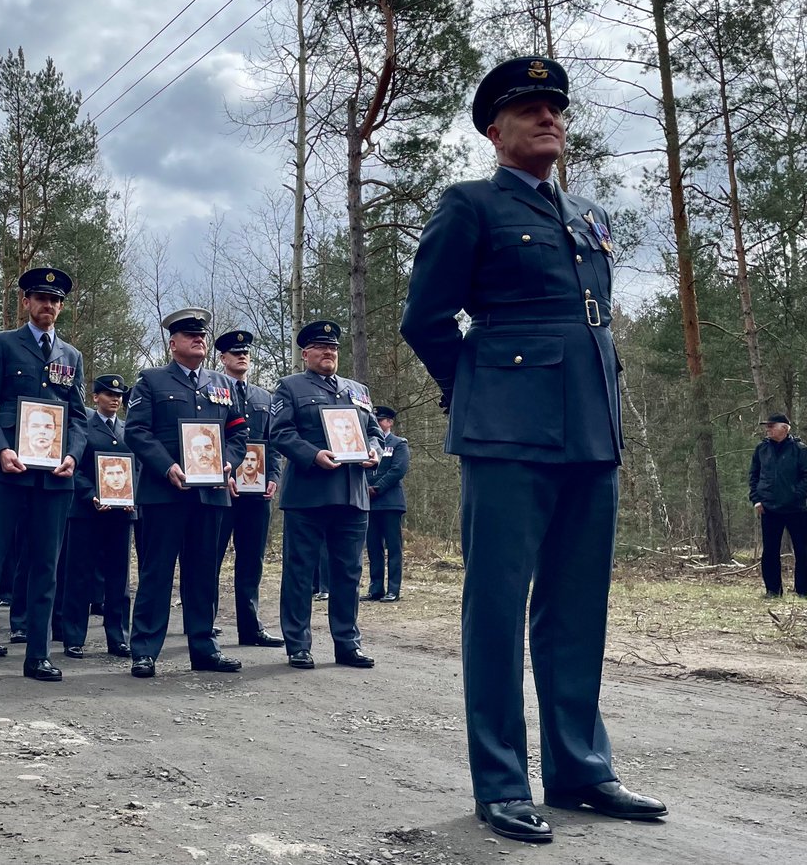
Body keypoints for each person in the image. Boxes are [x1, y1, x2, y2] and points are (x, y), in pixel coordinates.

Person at [400, 56, 667, 842]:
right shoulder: (470, 205)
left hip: (591, 426)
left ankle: (581, 770)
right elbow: (427, 318)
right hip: (508, 432)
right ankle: (501, 780)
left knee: (577, 605)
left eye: (556, 107)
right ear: (495, 130)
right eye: (531, 108)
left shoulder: (585, 213)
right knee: (497, 606)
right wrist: (479, 393)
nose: (551, 117)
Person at [0, 267, 88, 682]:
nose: (47, 305)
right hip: (6, 472)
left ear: (61, 307)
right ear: (26, 302)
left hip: (54, 477)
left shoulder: (71, 356)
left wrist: (72, 455)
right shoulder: (2, 344)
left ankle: (37, 654)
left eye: (54, 301)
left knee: (45, 566)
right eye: (40, 298)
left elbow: (78, 417)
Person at [126, 308, 249, 678]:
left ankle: (204, 647)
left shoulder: (222, 385)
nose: (199, 338)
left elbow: (239, 432)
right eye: (189, 334)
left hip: (210, 495)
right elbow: (137, 432)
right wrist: (167, 467)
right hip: (165, 494)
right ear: (172, 342)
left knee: (203, 573)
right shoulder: (150, 380)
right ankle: (145, 650)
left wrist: (227, 462)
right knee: (156, 572)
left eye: (202, 334)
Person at [270, 320, 381, 672]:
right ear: (306, 354)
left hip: (353, 494)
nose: (328, 352)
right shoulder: (290, 387)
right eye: (320, 347)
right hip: (309, 493)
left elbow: (375, 432)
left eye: (332, 347)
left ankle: (347, 643)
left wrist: (376, 452)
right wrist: (313, 455)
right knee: (301, 572)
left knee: (348, 573)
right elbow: (280, 433)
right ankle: (299, 644)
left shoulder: (357, 390)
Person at [213, 330, 283, 648]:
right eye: (235, 352)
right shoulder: (211, 391)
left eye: (246, 353)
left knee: (251, 560)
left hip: (256, 492)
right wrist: (217, 472)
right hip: (220, 488)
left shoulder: (264, 398)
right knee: (209, 557)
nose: (242, 356)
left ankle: (250, 627)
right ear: (223, 358)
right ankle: (200, 622)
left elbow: (274, 441)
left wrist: (274, 475)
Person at [61, 374, 135, 659]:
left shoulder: (128, 431)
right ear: (95, 398)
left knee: (119, 579)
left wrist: (132, 497)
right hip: (86, 512)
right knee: (79, 576)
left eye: (118, 395)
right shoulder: (84, 429)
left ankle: (118, 638)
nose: (115, 399)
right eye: (108, 394)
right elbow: (74, 468)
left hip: (121, 515)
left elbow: (136, 469)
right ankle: (74, 637)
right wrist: (91, 492)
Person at [749, 412, 807, 598]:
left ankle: (803, 590)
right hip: (769, 508)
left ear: (784, 428)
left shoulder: (799, 449)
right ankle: (773, 591)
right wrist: (757, 499)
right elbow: (754, 476)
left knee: (803, 550)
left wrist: (795, 495)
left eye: (771, 426)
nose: (768, 429)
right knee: (770, 551)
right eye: (767, 426)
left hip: (796, 509)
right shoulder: (761, 449)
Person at [364, 406, 410, 603]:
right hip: (368, 502)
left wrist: (377, 488)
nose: (377, 423)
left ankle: (393, 589)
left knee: (393, 547)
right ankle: (376, 589)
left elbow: (398, 469)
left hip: (390, 502)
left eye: (380, 420)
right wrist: (364, 488)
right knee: (373, 547)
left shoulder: (398, 444)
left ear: (389, 422)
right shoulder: (366, 444)